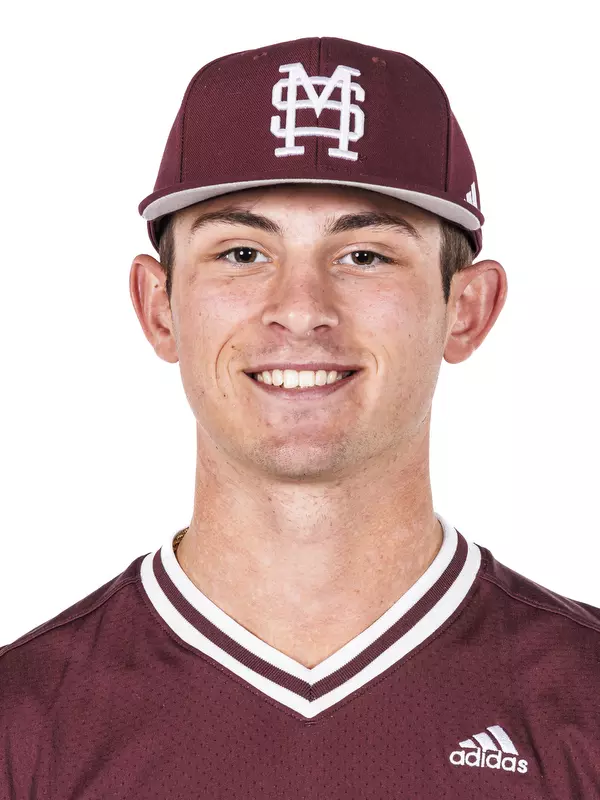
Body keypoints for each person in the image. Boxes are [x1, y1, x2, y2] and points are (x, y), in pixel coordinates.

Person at [2, 36, 599, 798]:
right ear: (159, 308)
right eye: (243, 253)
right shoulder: (24, 724)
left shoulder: (583, 703)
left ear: (467, 310)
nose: (301, 309)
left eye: (366, 256)